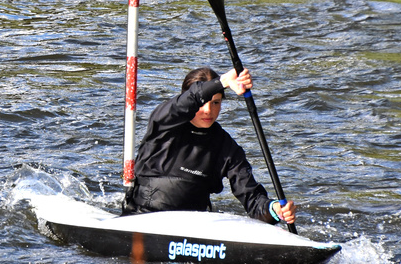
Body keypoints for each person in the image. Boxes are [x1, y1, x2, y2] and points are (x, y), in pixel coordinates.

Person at [122, 66, 297, 225]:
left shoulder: (226, 147)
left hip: (193, 225)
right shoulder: (163, 124)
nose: (208, 110)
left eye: (216, 102)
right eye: (202, 102)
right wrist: (223, 81)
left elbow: (252, 199)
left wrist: (274, 210)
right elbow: (183, 102)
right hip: (142, 217)